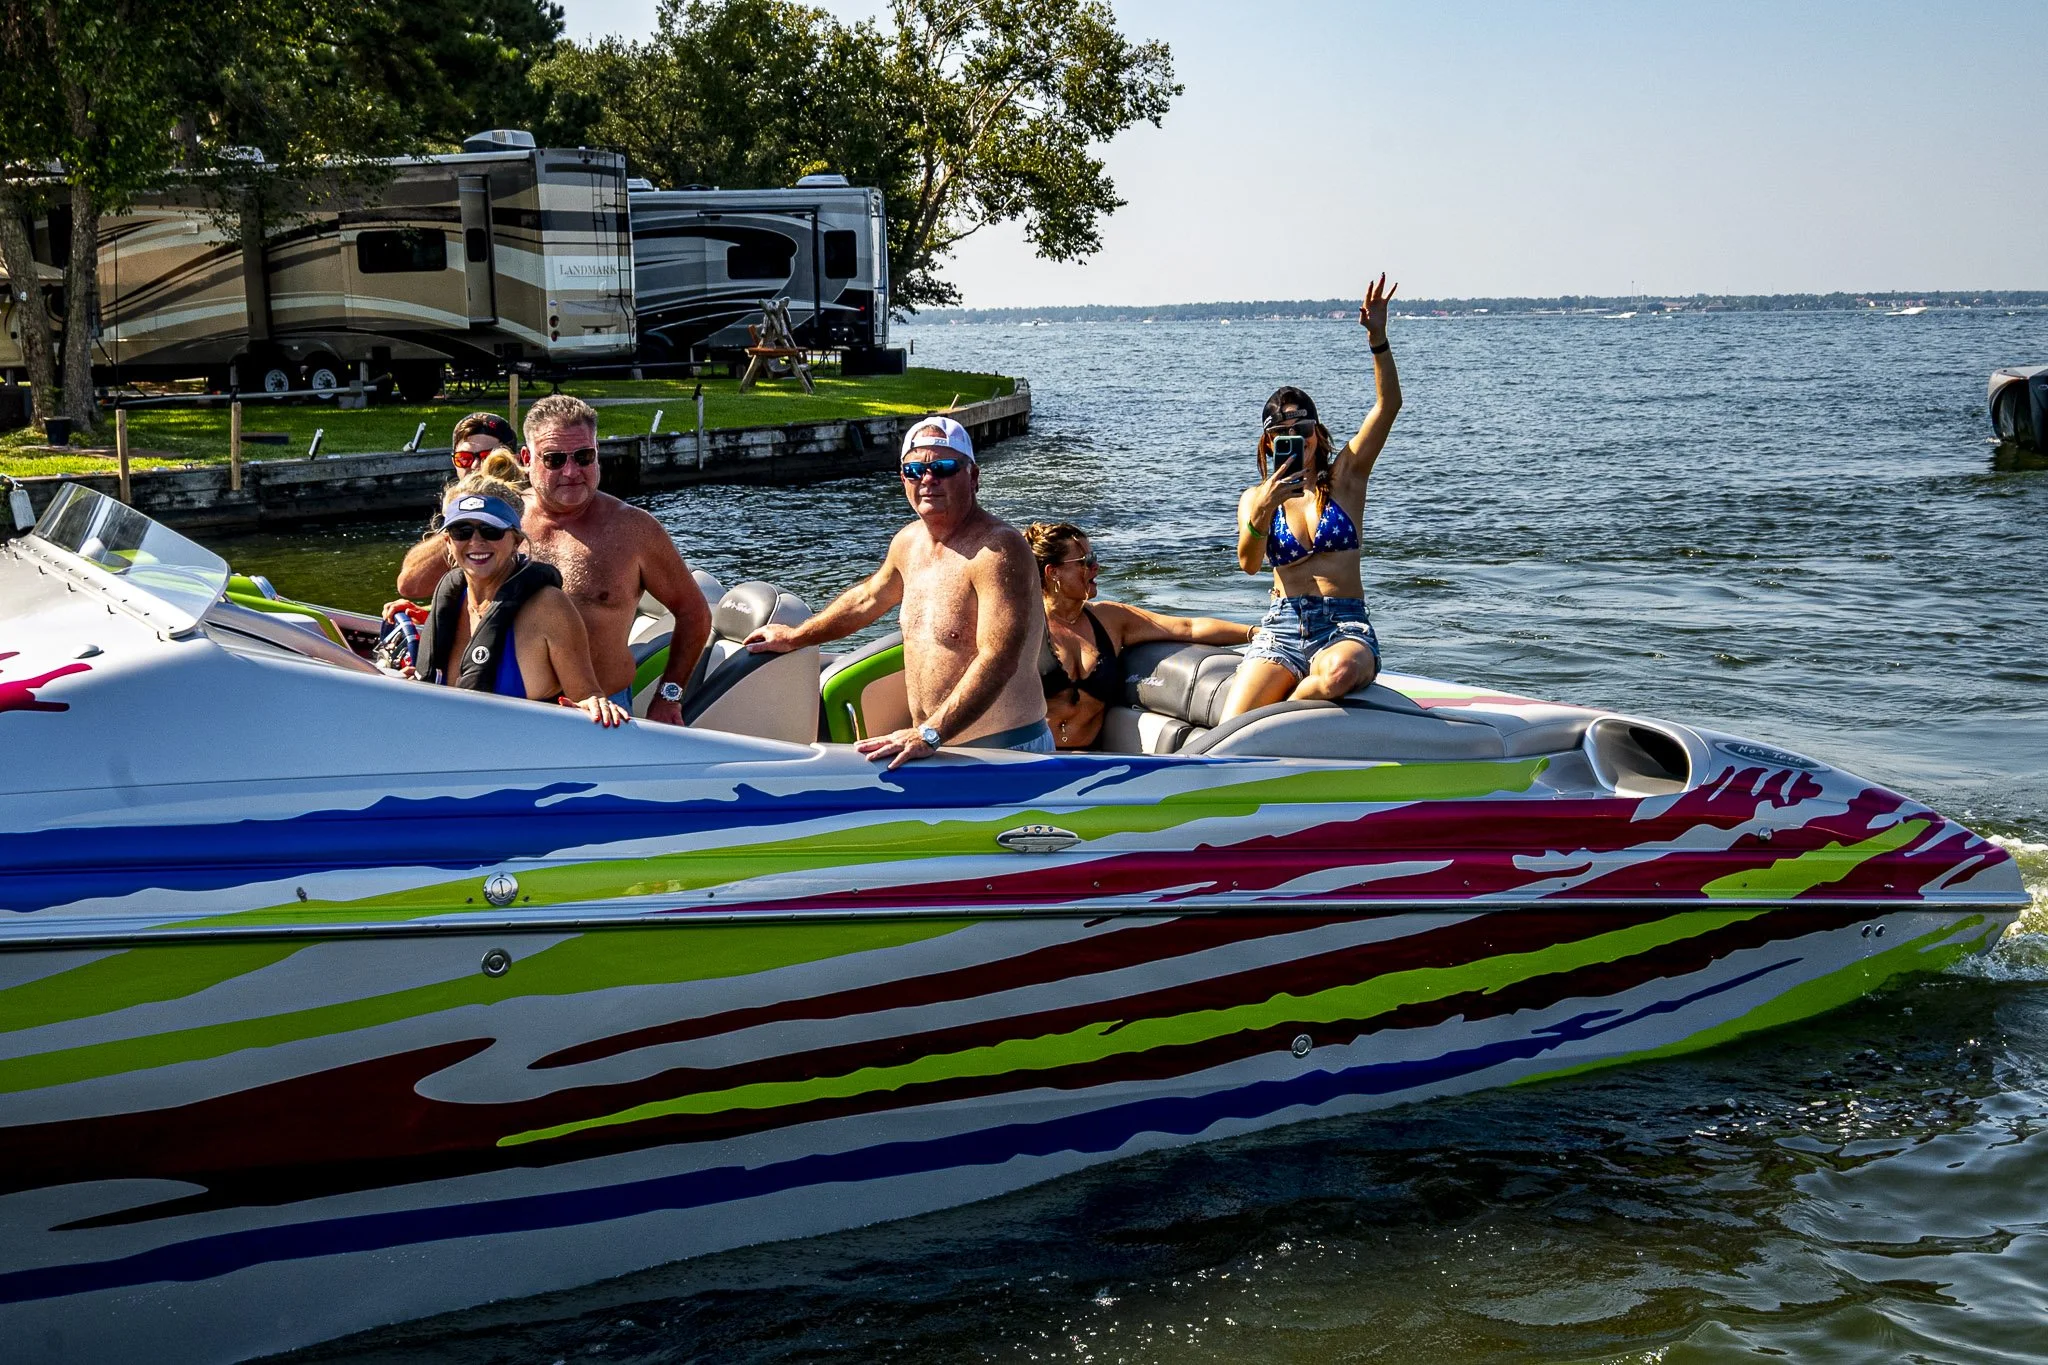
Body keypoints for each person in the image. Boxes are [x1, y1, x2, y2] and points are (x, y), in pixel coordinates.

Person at [744, 416, 1049, 764]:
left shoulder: (997, 551)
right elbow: (868, 598)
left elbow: (999, 657)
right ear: (903, 479)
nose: (928, 480)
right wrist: (797, 636)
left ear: (973, 476)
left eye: (944, 467)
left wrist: (930, 733)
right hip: (936, 744)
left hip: (1003, 754)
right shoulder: (908, 542)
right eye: (914, 470)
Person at [394, 394, 711, 724]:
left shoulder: (635, 530)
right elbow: (411, 583)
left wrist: (669, 696)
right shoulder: (499, 520)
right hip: (507, 703)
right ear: (527, 458)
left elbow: (694, 612)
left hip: (601, 712)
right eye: (555, 459)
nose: (572, 471)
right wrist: (466, 508)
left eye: (584, 456)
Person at [1220, 273, 1403, 721]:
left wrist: (1378, 339)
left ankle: (1279, 719)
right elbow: (1248, 564)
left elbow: (1388, 406)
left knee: (1337, 675)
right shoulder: (1255, 498)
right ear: (1267, 444)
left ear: (1318, 435)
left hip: (1344, 626)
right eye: (1280, 435)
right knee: (1227, 728)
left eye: (1301, 432)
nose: (1293, 441)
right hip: (1281, 627)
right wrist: (1263, 509)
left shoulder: (1346, 477)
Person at [410, 456, 626, 727]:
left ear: (516, 540)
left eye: (491, 530)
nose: (476, 542)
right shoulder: (451, 601)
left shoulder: (549, 607)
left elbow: (587, 696)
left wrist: (594, 704)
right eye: (461, 531)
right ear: (448, 542)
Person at [1026, 521, 1255, 750]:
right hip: (1036, 757)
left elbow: (1188, 627)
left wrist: (1256, 633)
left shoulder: (1110, 619)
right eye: (1085, 561)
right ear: (1052, 572)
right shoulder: (1025, 625)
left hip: (1091, 757)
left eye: (1094, 557)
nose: (1095, 566)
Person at [391, 413, 519, 602]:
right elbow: (410, 586)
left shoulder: (531, 505)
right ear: (454, 461)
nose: (476, 466)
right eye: (465, 458)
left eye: (488, 457)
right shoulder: (452, 510)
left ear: (511, 460)